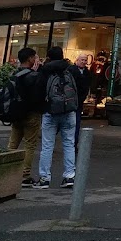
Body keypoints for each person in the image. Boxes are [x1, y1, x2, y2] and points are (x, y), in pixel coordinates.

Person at [35, 47, 82, 189]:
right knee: (69, 144)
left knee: (47, 145)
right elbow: (80, 88)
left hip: (50, 112)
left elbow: (38, 90)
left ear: (49, 57)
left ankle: (44, 178)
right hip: (69, 111)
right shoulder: (71, 70)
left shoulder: (45, 71)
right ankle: (69, 176)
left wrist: (42, 108)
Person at [6, 48, 43, 187]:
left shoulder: (14, 74)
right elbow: (38, 95)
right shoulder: (34, 76)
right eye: (34, 57)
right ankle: (24, 175)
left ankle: (7, 169)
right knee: (30, 144)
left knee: (13, 142)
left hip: (16, 113)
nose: (36, 59)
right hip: (31, 113)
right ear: (30, 59)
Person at [72, 53, 92, 150]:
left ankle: (74, 144)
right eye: (82, 60)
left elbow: (87, 86)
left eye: (85, 60)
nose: (84, 62)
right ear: (77, 60)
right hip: (70, 101)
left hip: (79, 102)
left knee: (76, 123)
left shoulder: (87, 73)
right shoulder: (71, 70)